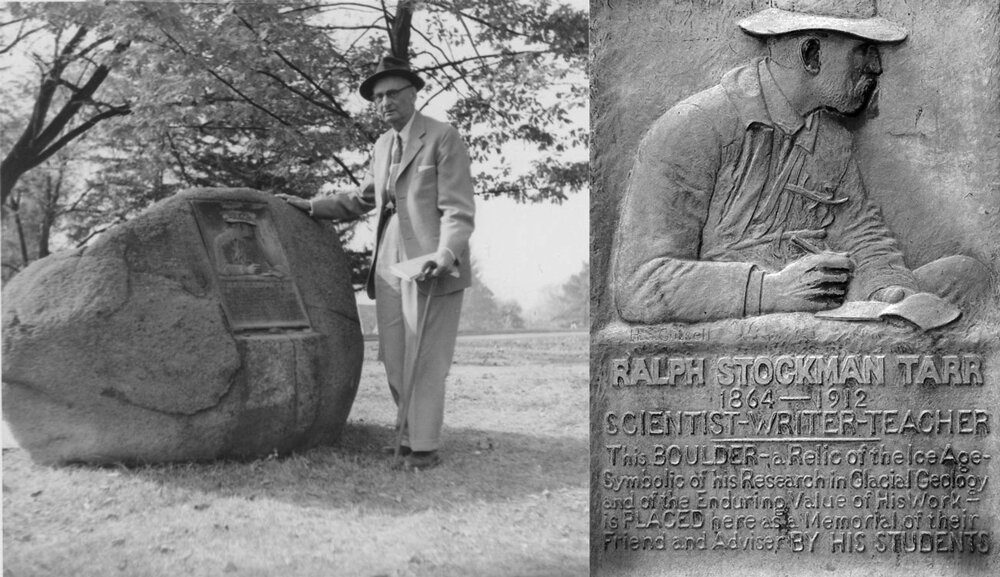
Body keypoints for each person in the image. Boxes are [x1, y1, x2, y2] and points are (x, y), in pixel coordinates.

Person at [612, 0, 989, 324]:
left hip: (827, 304)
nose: (876, 66)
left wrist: (887, 288)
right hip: (748, 318)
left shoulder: (831, 137)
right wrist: (770, 290)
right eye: (862, 50)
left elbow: (861, 231)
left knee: (967, 274)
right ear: (811, 54)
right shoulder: (692, 129)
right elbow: (639, 285)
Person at [279, 56, 475, 470]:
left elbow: (458, 210)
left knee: (427, 356)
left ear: (412, 94)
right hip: (388, 260)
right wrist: (313, 206)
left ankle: (424, 447)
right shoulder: (383, 145)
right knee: (394, 351)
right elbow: (364, 199)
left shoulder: (442, 136)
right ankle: (405, 436)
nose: (385, 102)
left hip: (431, 262)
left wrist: (445, 253)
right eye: (378, 97)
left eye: (392, 94)